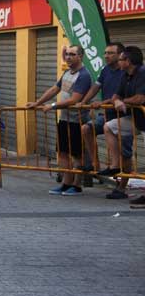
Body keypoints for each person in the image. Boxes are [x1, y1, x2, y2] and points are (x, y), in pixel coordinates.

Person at [27, 45, 92, 196]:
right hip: (64, 119)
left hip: (77, 120)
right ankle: (66, 183)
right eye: (67, 54)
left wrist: (53, 105)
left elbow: (75, 99)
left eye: (72, 54)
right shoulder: (67, 73)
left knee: (77, 154)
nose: (68, 57)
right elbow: (54, 89)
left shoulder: (83, 75)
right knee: (62, 152)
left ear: (80, 56)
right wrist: (37, 102)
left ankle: (76, 186)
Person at [97, 47, 145, 203]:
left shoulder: (142, 73)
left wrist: (122, 101)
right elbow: (116, 95)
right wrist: (116, 100)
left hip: (141, 118)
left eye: (120, 59)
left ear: (128, 61)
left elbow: (139, 99)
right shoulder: (126, 75)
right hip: (138, 120)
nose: (118, 62)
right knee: (110, 126)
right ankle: (115, 165)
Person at [79, 43, 125, 172]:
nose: (106, 56)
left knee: (124, 153)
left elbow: (123, 95)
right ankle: (95, 164)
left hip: (122, 115)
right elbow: (95, 87)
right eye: (105, 53)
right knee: (86, 128)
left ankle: (119, 178)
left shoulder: (125, 71)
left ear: (120, 55)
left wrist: (102, 102)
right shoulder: (105, 69)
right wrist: (83, 101)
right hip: (107, 114)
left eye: (110, 53)